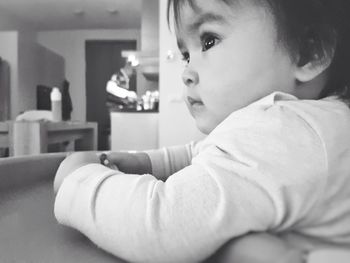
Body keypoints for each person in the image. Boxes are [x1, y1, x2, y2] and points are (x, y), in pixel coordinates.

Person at [53, 0, 350, 262]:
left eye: (208, 40)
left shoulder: (285, 128)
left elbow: (162, 226)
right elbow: (203, 151)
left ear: (308, 51)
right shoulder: (303, 123)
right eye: (186, 55)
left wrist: (78, 180)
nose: (186, 73)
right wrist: (150, 163)